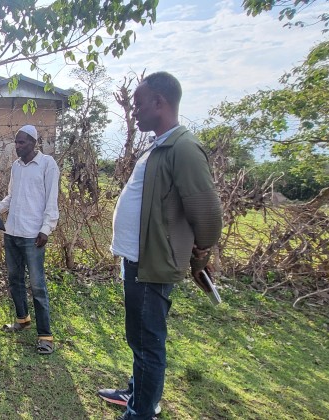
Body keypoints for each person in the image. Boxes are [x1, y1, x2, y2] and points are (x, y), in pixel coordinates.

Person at [97, 72, 223, 420]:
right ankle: (136, 394)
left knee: (149, 342)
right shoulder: (160, 144)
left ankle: (141, 412)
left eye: (138, 104)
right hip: (137, 260)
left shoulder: (183, 148)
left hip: (153, 264)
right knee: (139, 337)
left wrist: (200, 255)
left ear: (159, 102)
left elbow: (208, 213)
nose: (134, 111)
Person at [0, 125, 59, 355]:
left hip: (33, 235)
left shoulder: (47, 164)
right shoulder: (16, 166)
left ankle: (45, 336)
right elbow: (12, 195)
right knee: (15, 280)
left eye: (21, 142)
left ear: (34, 143)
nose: (17, 146)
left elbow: (52, 199)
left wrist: (46, 229)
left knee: (38, 286)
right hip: (12, 231)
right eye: (16, 142)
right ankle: (22, 319)